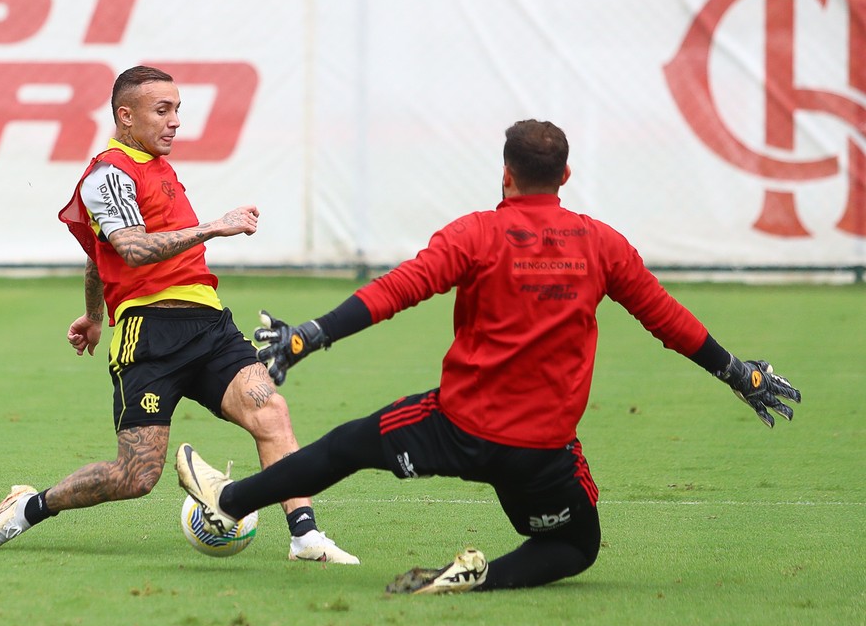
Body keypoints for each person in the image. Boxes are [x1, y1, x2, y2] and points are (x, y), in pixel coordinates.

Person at [172, 119, 801, 593]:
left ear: (505, 174)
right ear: (565, 176)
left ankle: (228, 503)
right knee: (577, 545)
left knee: (344, 449)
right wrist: (737, 373)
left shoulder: (476, 232)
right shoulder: (604, 244)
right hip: (541, 449)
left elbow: (399, 290)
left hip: (456, 427)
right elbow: (670, 321)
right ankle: (481, 577)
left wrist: (309, 335)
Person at [0, 65, 359, 565]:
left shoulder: (157, 167)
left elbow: (96, 255)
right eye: (162, 110)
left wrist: (91, 315)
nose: (175, 122)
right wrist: (215, 227)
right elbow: (127, 249)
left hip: (210, 325)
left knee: (271, 411)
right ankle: (29, 507)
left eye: (177, 110)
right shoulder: (108, 173)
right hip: (149, 335)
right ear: (125, 116)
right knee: (136, 476)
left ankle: (305, 537)